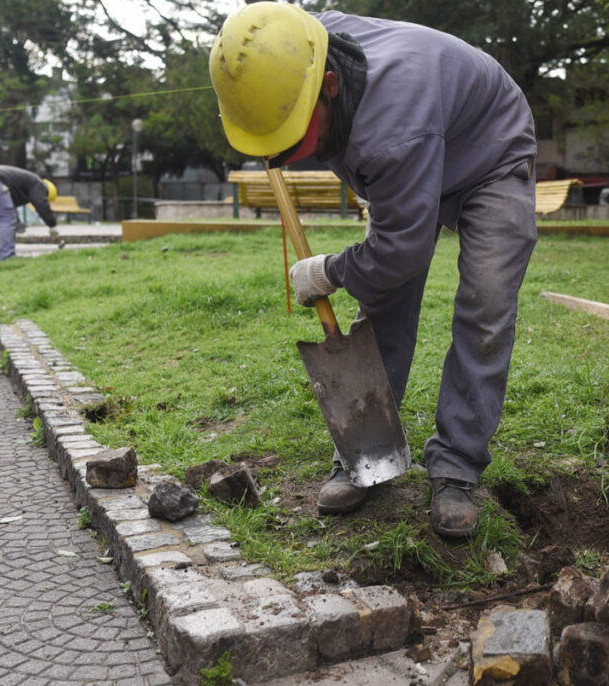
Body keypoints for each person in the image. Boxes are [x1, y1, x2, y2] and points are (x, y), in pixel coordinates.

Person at [209, 3, 537, 537]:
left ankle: (455, 465)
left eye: (291, 139)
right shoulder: (299, 44)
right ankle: (367, 454)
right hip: (416, 143)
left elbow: (402, 252)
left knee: (487, 305)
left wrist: (331, 271)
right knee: (382, 303)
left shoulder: (393, 129)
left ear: (331, 87)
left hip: (488, 153)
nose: (283, 157)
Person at [0, 165, 58, 263]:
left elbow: (9, 204)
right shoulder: (38, 185)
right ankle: (8, 256)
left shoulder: (25, 183)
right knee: (6, 220)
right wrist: (52, 225)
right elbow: (41, 204)